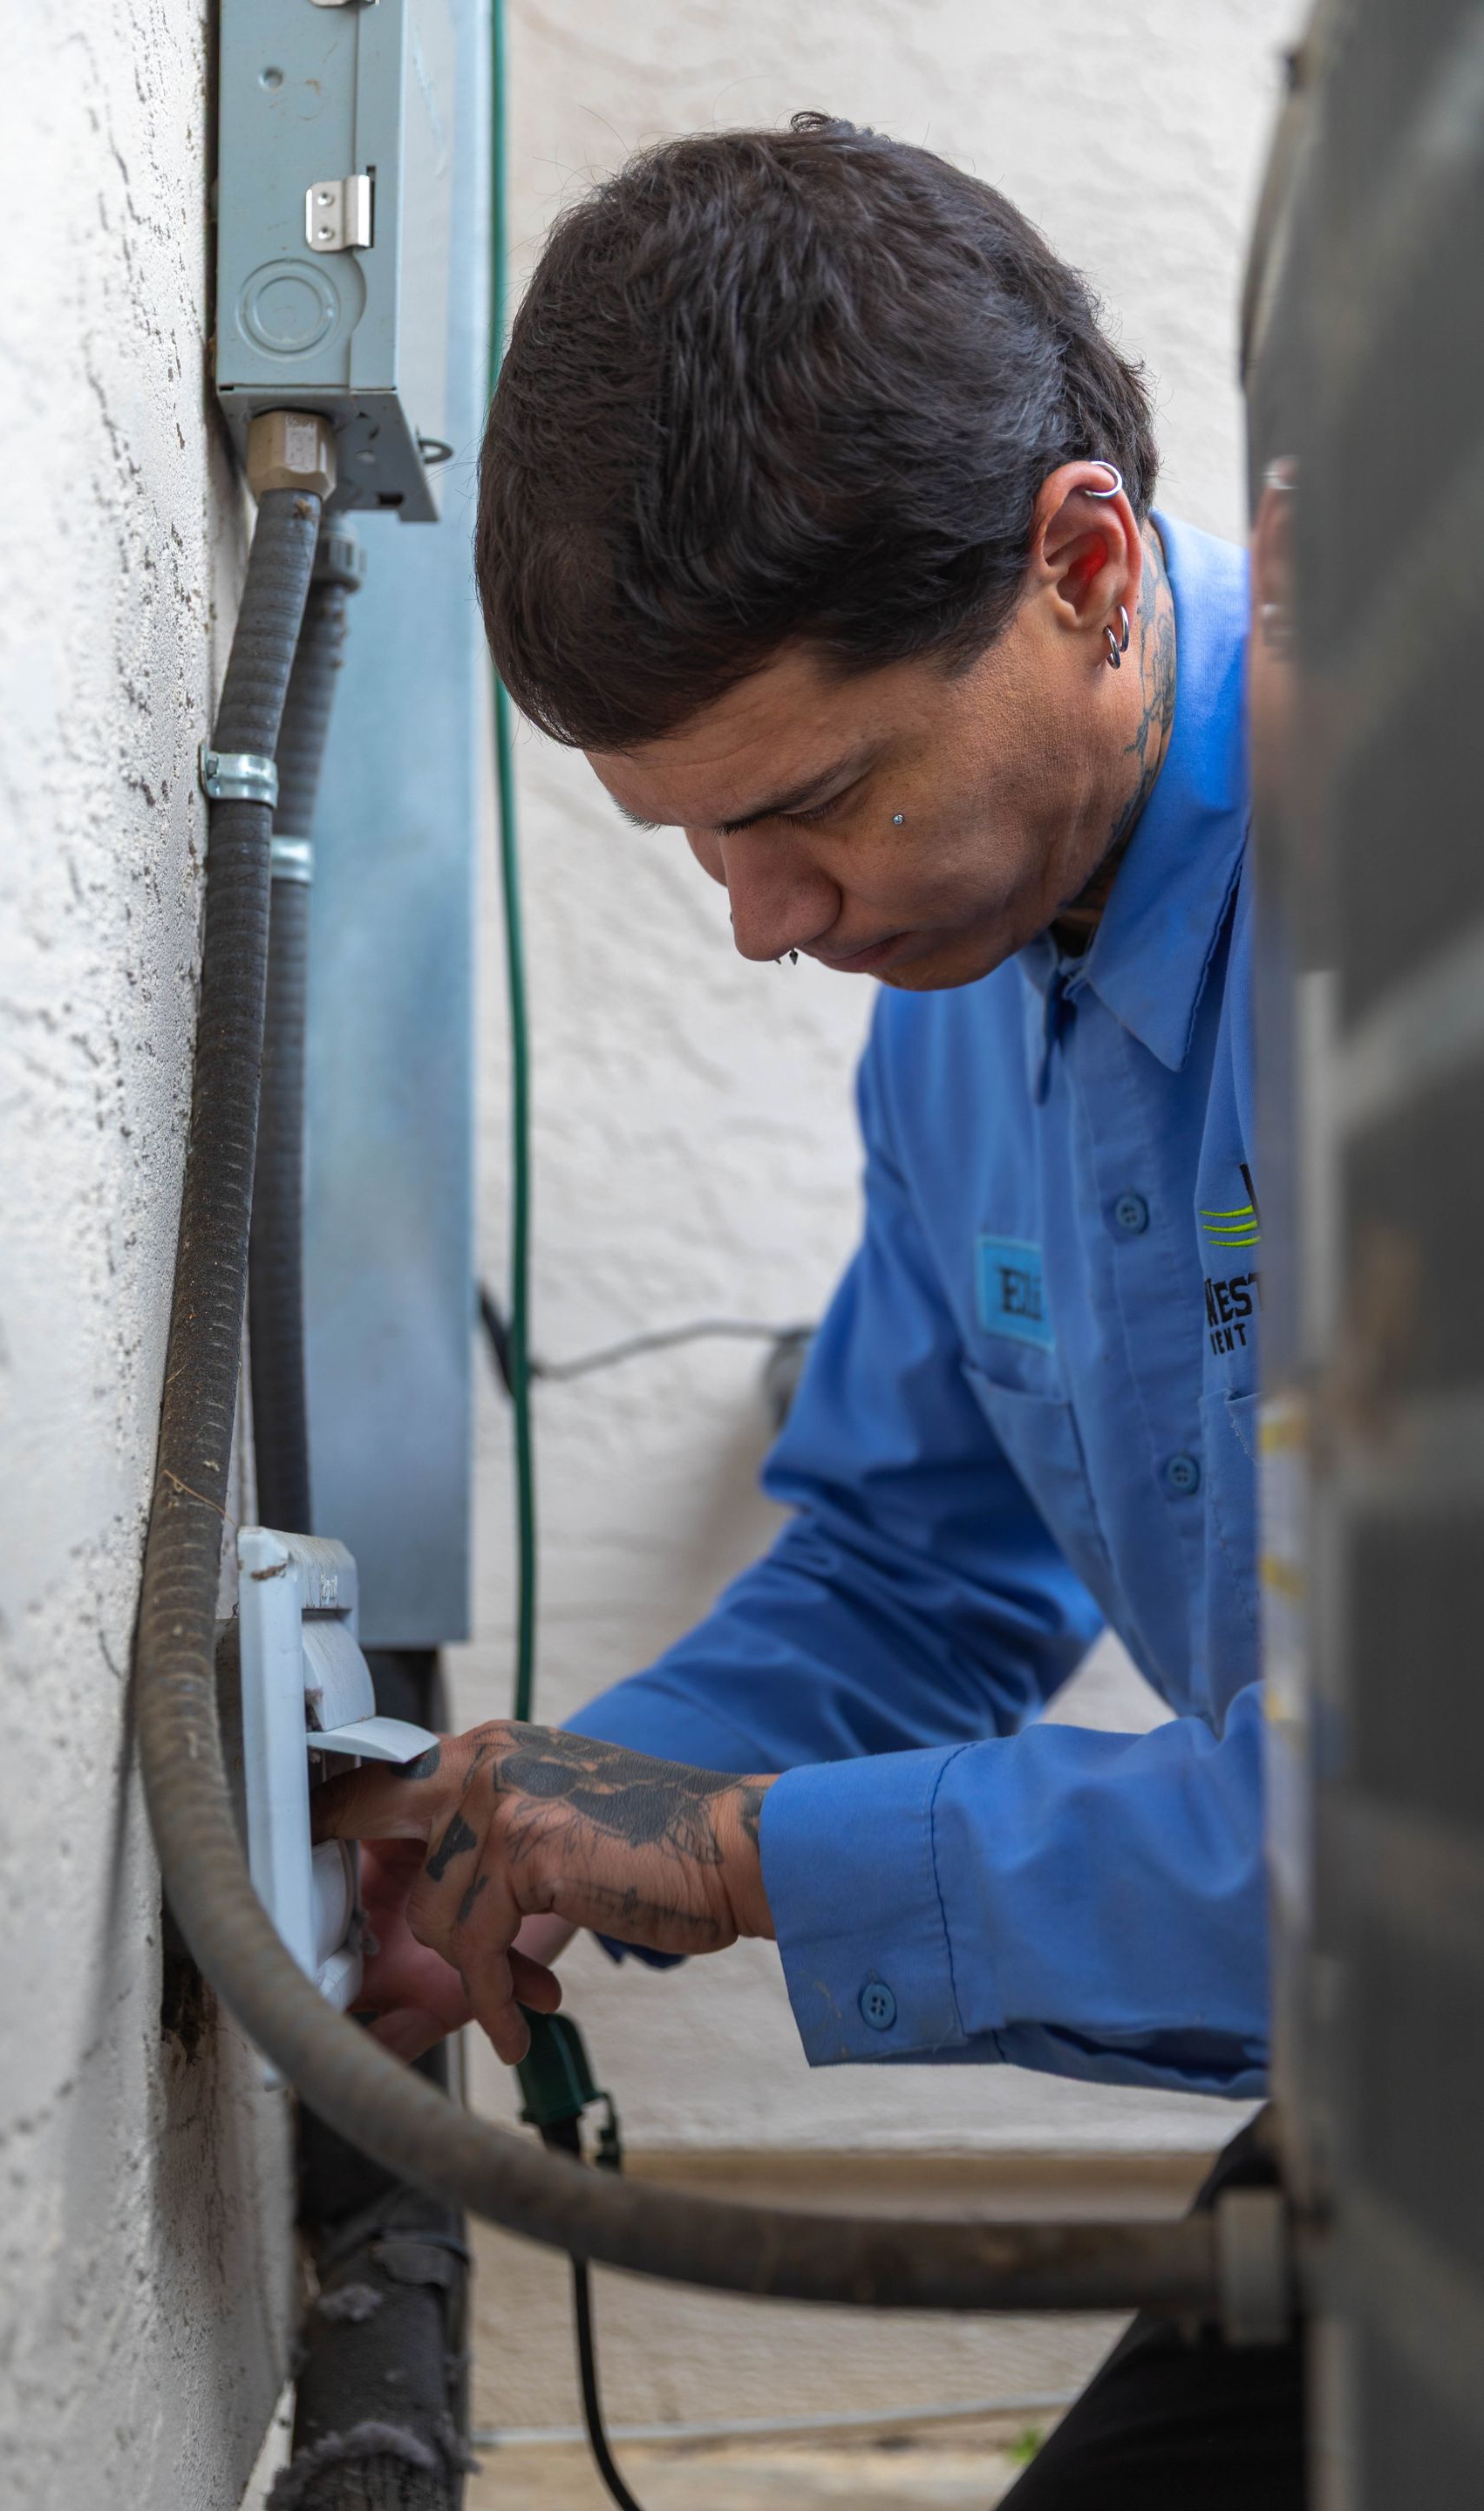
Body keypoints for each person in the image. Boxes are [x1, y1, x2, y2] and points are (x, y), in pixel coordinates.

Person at [314, 117, 1303, 2503]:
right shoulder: (956, 998)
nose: (766, 922)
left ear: (1081, 567)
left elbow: (1411, 1845)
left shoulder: (1400, 922)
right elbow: (922, 1562)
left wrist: (755, 1855)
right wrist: (579, 1804)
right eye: (696, 844)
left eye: (816, 804)